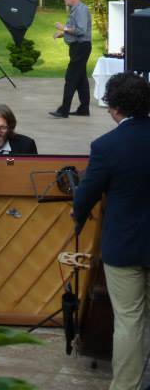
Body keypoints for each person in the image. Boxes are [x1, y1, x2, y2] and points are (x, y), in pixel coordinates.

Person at [72, 73, 150, 390]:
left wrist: (78, 211)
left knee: (129, 321)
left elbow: (87, 193)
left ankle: (126, 386)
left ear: (115, 107)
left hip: (125, 246)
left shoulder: (107, 145)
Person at [51, 0, 92, 118]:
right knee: (81, 79)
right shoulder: (76, 9)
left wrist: (63, 27)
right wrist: (63, 34)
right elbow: (75, 30)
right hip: (78, 47)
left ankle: (64, 110)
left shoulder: (81, 10)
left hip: (81, 47)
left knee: (71, 77)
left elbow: (81, 30)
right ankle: (84, 109)